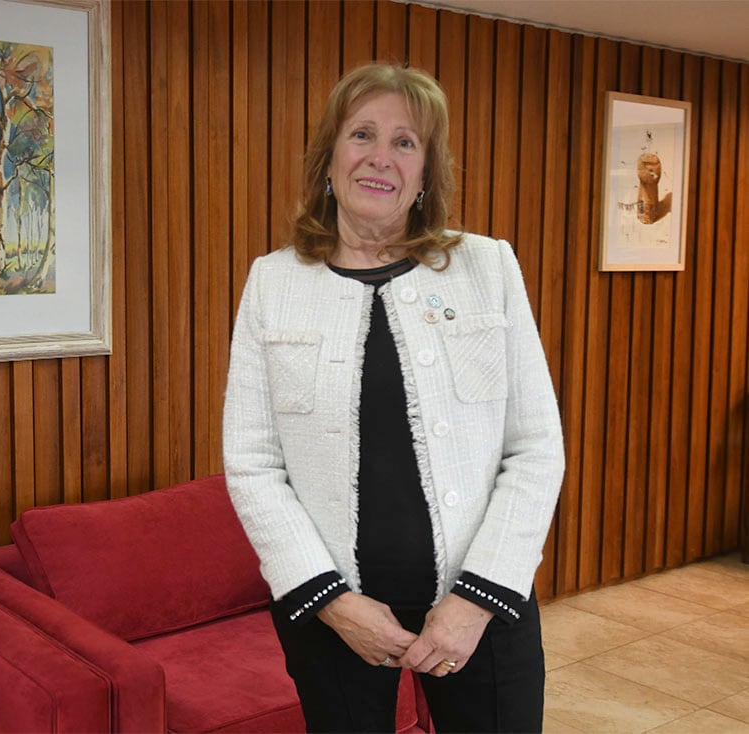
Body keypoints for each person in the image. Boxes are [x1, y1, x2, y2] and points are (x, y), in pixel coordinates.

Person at [222, 63, 565, 733]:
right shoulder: (273, 283)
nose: (381, 158)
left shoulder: (487, 267)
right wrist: (331, 601)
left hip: (484, 608)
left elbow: (535, 447)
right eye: (363, 135)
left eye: (406, 142)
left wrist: (475, 601)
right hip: (332, 614)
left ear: (427, 172)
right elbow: (253, 460)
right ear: (330, 158)